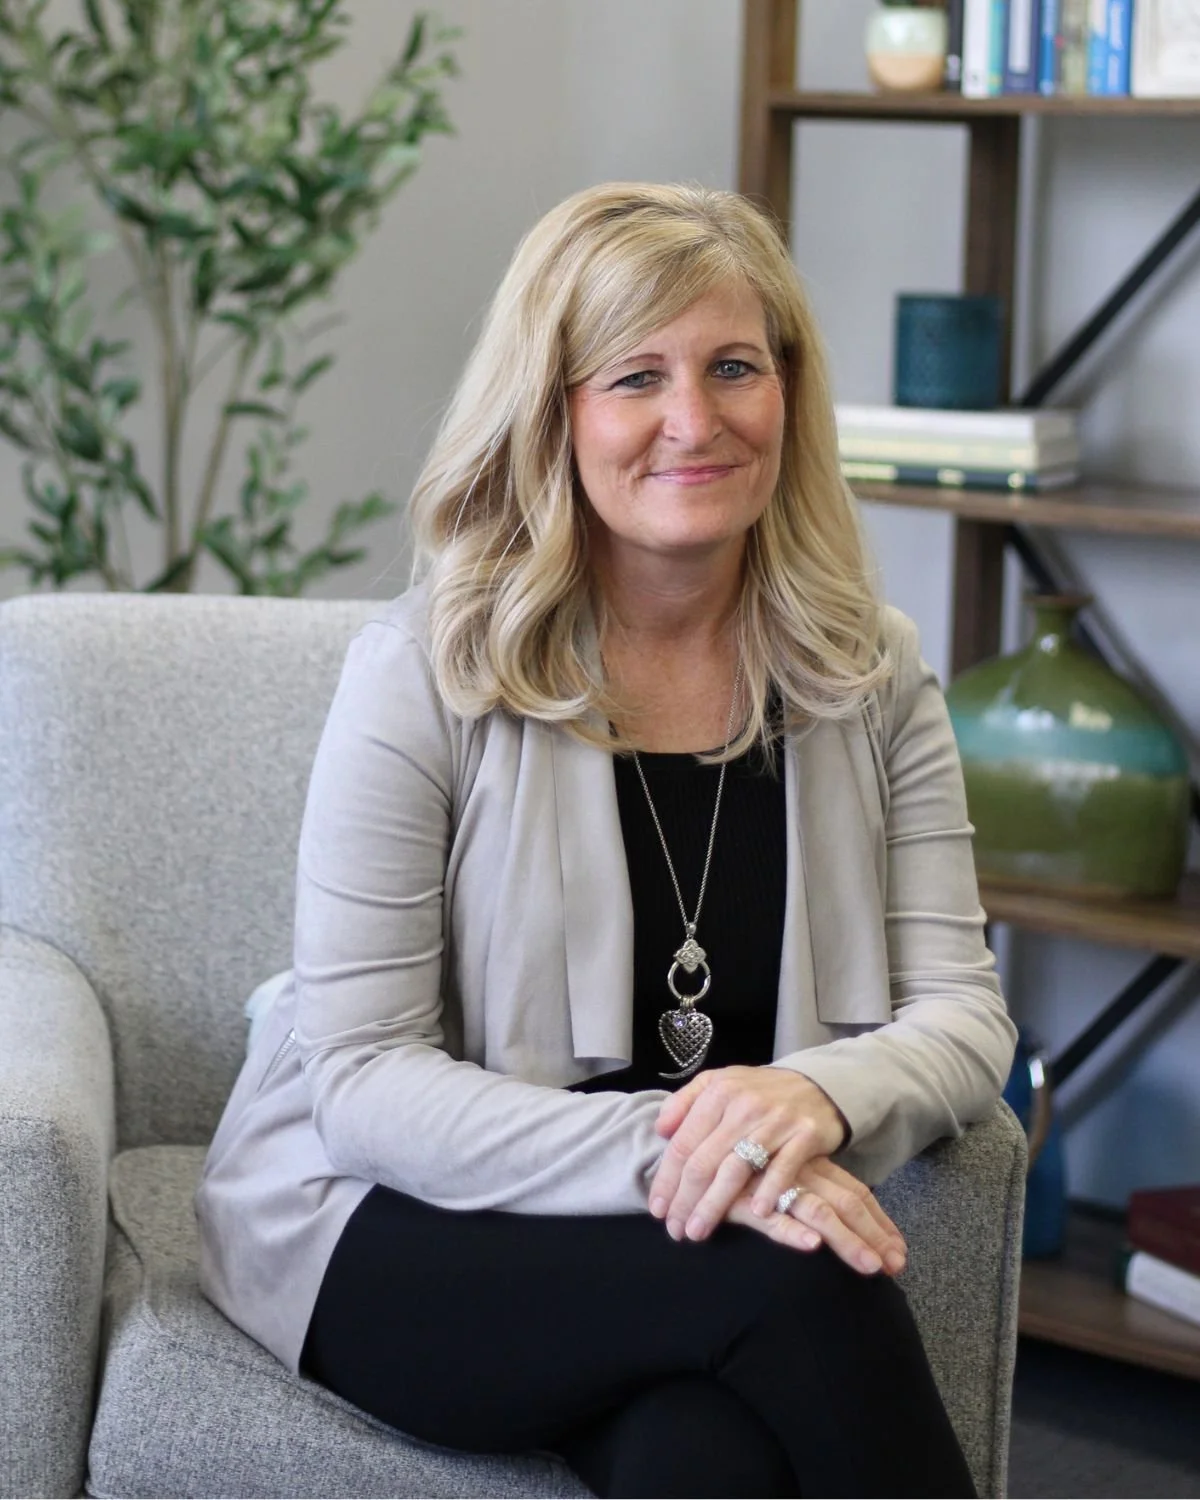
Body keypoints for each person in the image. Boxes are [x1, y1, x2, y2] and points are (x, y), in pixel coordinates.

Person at [196, 181, 1016, 1499]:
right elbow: (360, 1081)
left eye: (733, 366)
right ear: (554, 410)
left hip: (690, 1247)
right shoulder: (423, 671)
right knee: (796, 1285)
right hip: (401, 1222)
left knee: (698, 1464)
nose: (696, 420)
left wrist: (815, 1098)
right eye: (636, 376)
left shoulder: (872, 676)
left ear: (788, 394)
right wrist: (698, 1156)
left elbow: (967, 1021)